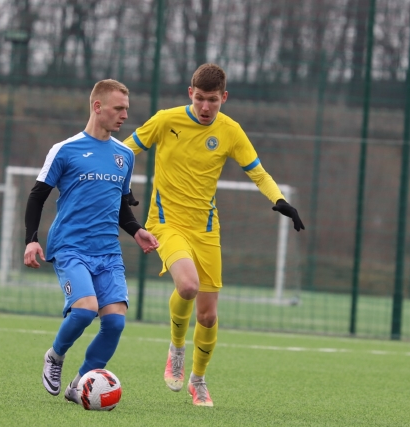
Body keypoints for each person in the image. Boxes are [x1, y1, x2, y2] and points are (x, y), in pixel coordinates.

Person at [123, 63, 304, 407]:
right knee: (187, 286)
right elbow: (123, 151)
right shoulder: (166, 120)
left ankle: (198, 380)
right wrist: (123, 184)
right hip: (166, 222)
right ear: (190, 94)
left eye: (213, 101)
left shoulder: (230, 131)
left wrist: (280, 200)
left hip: (206, 229)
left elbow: (258, 172)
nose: (206, 107)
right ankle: (176, 349)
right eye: (200, 99)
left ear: (224, 97)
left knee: (207, 315)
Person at [24, 79, 159, 404]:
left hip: (108, 252)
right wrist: (31, 240)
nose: (125, 115)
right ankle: (55, 356)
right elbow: (37, 196)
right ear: (97, 107)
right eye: (118, 108)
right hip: (70, 247)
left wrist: (136, 230)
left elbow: (119, 204)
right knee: (85, 311)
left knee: (114, 322)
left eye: (126, 109)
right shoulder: (65, 149)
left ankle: (80, 384)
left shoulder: (124, 155)